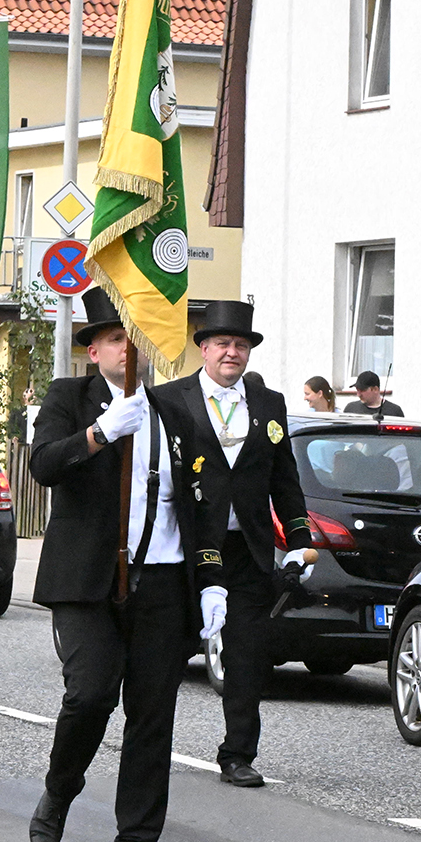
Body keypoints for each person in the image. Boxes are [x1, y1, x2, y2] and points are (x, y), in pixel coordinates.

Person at [26, 288, 226, 842]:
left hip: (162, 580)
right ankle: (60, 789)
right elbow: (43, 465)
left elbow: (202, 504)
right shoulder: (69, 398)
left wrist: (210, 581)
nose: (126, 349)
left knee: (152, 715)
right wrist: (100, 433)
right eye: (115, 339)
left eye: (134, 338)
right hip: (87, 580)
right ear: (93, 351)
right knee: (90, 694)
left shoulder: (175, 413)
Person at [153, 301, 312, 788]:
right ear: (203, 349)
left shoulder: (269, 403)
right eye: (222, 343)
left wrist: (300, 540)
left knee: (247, 654)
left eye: (241, 345)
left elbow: (284, 478)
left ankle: (238, 753)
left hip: (247, 549)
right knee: (169, 649)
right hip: (186, 545)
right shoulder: (169, 399)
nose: (231, 353)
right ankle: (151, 745)